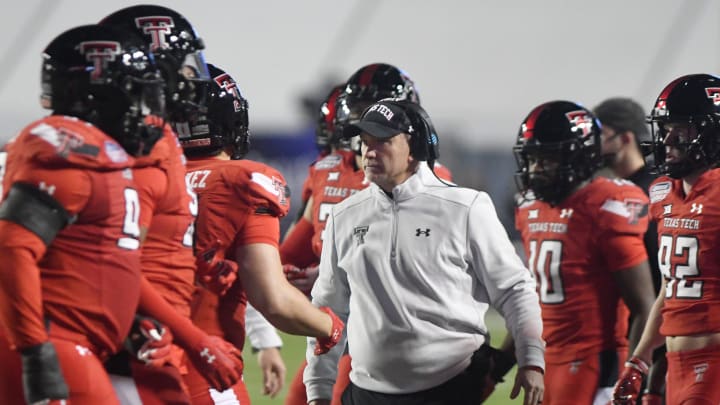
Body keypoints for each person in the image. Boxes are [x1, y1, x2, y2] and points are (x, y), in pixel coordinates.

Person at [304, 98, 545, 405]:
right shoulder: (345, 216)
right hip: (366, 393)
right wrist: (318, 391)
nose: (369, 152)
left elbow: (515, 290)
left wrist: (531, 360)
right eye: (365, 143)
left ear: (416, 147)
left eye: (383, 142)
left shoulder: (466, 208)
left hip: (452, 389)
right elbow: (328, 310)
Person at [0, 24, 166, 404]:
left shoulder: (104, 153)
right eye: (133, 93)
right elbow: (13, 249)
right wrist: (35, 349)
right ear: (97, 94)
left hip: (76, 342)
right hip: (55, 342)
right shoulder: (67, 146)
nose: (143, 111)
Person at [99, 6, 249, 404]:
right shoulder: (127, 151)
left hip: (140, 334)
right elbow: (110, 266)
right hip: (116, 344)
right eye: (178, 68)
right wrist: (196, 340)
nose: (191, 80)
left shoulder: (154, 142)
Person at [282, 64, 454, 405]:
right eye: (359, 111)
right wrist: (292, 277)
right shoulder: (325, 172)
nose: (366, 120)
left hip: (386, 332)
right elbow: (290, 255)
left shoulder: (426, 178)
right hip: (334, 327)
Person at [181, 63, 344, 404]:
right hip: (202, 370)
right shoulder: (241, 181)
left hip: (128, 371)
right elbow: (273, 298)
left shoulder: (141, 177)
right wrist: (333, 327)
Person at [512, 100, 655, 405]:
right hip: (547, 361)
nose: (536, 170)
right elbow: (532, 297)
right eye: (532, 159)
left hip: (593, 363)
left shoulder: (609, 205)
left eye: (546, 160)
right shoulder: (529, 208)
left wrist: (633, 372)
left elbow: (643, 305)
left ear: (578, 156)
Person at [611, 73, 720, 404]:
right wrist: (641, 363)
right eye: (666, 127)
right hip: (675, 365)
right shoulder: (662, 194)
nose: (668, 139)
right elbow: (670, 290)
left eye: (682, 129)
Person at [593, 97, 666, 404]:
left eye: (599, 133)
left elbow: (661, 276)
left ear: (625, 138)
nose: (591, 143)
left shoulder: (654, 190)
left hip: (655, 338)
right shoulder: (616, 189)